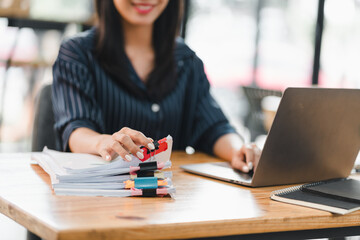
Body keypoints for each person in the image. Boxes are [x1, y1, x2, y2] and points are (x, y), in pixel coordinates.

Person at [52, 0, 261, 173]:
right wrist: (102, 142)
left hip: (170, 204)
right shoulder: (78, 54)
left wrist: (239, 150)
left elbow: (214, 128)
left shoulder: (186, 61)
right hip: (99, 202)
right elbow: (76, 129)